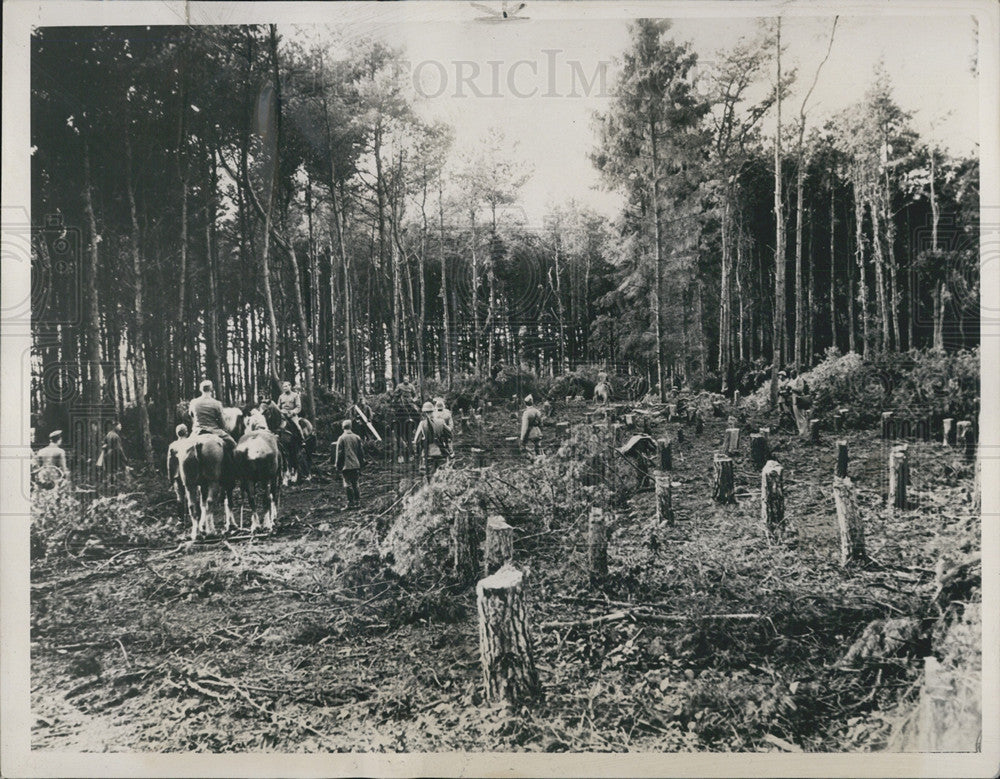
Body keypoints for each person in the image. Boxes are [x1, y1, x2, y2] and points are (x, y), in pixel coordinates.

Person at [189, 380, 237, 459]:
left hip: (197, 432)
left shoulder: (193, 402)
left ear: (200, 389)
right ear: (211, 389)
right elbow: (222, 423)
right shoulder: (216, 403)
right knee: (234, 445)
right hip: (215, 431)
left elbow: (192, 416)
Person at [413, 401, 451, 481]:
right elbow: (450, 433)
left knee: (430, 477)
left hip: (428, 454)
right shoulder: (441, 421)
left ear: (424, 413)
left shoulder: (422, 424)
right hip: (441, 452)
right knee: (443, 475)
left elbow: (416, 440)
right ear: (433, 411)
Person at [333, 419, 366, 509]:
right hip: (356, 464)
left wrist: (337, 465)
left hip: (346, 465)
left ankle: (350, 503)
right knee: (355, 483)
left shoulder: (341, 438)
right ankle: (358, 502)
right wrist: (361, 463)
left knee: (347, 484)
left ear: (342, 427)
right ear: (351, 427)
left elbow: (339, 453)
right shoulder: (357, 437)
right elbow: (361, 452)